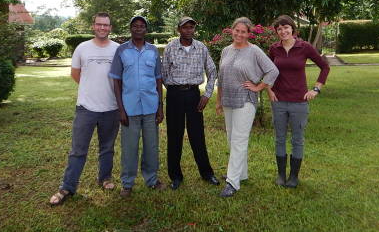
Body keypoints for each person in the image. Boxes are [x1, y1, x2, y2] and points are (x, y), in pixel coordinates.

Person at [49, 12, 120, 206]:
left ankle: (105, 178)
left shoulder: (118, 49)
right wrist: (91, 89)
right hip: (86, 108)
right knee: (78, 150)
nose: (102, 28)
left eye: (106, 25)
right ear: (93, 26)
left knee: (107, 148)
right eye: (99, 24)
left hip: (112, 108)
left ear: (110, 27)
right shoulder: (82, 48)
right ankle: (67, 187)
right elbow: (76, 74)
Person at [215, 17, 279, 197]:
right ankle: (240, 174)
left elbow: (273, 70)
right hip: (228, 100)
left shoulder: (254, 51)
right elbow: (222, 77)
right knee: (231, 139)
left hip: (245, 100)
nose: (239, 34)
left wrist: (259, 86)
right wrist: (218, 101)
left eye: (243, 32)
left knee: (239, 140)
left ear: (248, 34)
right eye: (237, 30)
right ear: (232, 30)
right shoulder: (226, 50)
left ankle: (232, 182)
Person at [268, 15, 330, 188]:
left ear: (292, 29)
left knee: (297, 139)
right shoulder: (274, 49)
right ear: (276, 32)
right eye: (279, 29)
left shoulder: (304, 47)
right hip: (278, 101)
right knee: (279, 138)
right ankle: (281, 175)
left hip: (299, 102)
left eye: (286, 27)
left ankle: (293, 177)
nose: (283, 31)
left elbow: (324, 66)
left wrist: (316, 89)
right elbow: (267, 70)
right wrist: (269, 89)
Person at [109, 16, 165, 197]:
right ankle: (127, 183)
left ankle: (151, 179)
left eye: (142, 26)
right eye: (135, 26)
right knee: (129, 148)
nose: (138, 28)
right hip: (129, 109)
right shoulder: (121, 51)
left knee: (151, 146)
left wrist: (160, 107)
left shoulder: (153, 51)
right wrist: (121, 109)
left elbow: (158, 79)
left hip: (150, 107)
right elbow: (116, 81)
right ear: (130, 29)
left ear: (146, 30)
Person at [162, 17, 220, 190]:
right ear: (178, 29)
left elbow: (212, 71)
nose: (188, 30)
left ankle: (207, 173)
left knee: (197, 136)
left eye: (191, 27)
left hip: (195, 95)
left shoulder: (201, 47)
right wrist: (175, 90)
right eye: (184, 27)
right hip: (174, 96)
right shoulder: (170, 48)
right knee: (174, 136)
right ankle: (175, 176)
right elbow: (164, 73)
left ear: (194, 29)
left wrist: (207, 94)